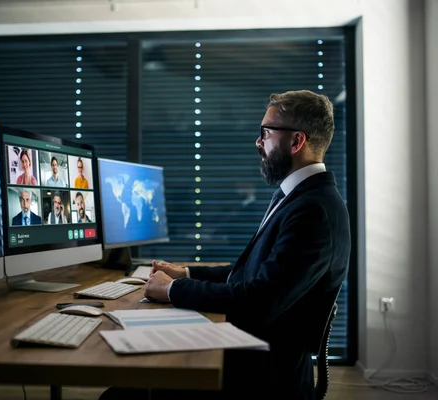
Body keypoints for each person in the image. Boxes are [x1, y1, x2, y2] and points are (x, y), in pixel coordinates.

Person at [100, 90, 351, 400]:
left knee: (122, 394)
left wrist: (170, 290)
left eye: (266, 133)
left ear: (296, 141)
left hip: (263, 379)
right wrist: (187, 274)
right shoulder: (302, 198)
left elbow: (258, 301)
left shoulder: (313, 211)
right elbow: (255, 274)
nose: (258, 142)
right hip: (261, 359)